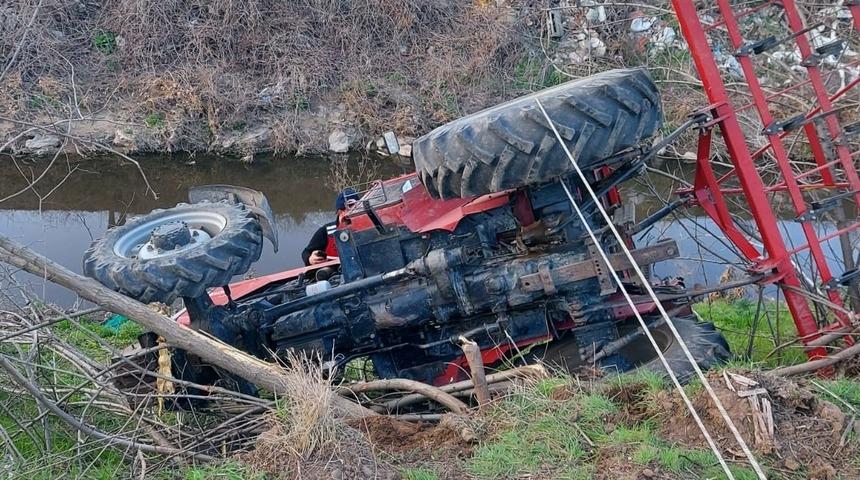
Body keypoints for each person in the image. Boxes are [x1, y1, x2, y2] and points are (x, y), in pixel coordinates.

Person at [301, 188, 359, 266]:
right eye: (344, 211)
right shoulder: (326, 231)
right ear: (339, 212)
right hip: (335, 272)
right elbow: (306, 252)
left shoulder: (367, 226)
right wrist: (310, 259)